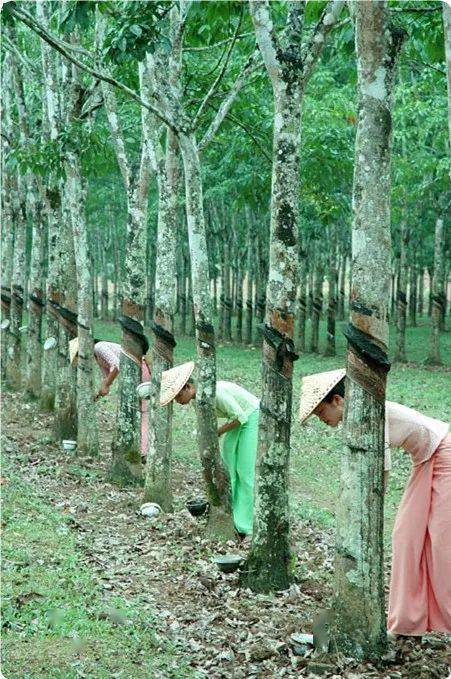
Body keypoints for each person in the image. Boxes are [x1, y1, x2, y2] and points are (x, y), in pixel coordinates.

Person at [298, 368, 451, 637]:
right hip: (425, 460)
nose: (321, 420)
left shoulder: (370, 412)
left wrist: (368, 508)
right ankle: (407, 620)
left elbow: (382, 468)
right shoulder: (356, 417)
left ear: (338, 401)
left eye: (321, 413)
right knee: (406, 536)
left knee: (442, 544)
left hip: (444, 454)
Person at [159, 361, 259, 536]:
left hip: (251, 416)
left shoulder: (216, 393)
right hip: (238, 419)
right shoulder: (197, 400)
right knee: (228, 465)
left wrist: (217, 432)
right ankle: (232, 513)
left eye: (177, 396)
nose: (177, 401)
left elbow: (241, 417)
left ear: (188, 387)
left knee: (244, 471)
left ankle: (246, 524)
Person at [69, 337, 151, 460]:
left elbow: (116, 366)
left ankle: (144, 452)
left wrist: (106, 384)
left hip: (139, 370)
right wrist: (97, 394)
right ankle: (138, 448)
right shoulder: (98, 356)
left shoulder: (99, 347)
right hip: (132, 375)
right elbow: (107, 378)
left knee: (143, 413)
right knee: (135, 412)